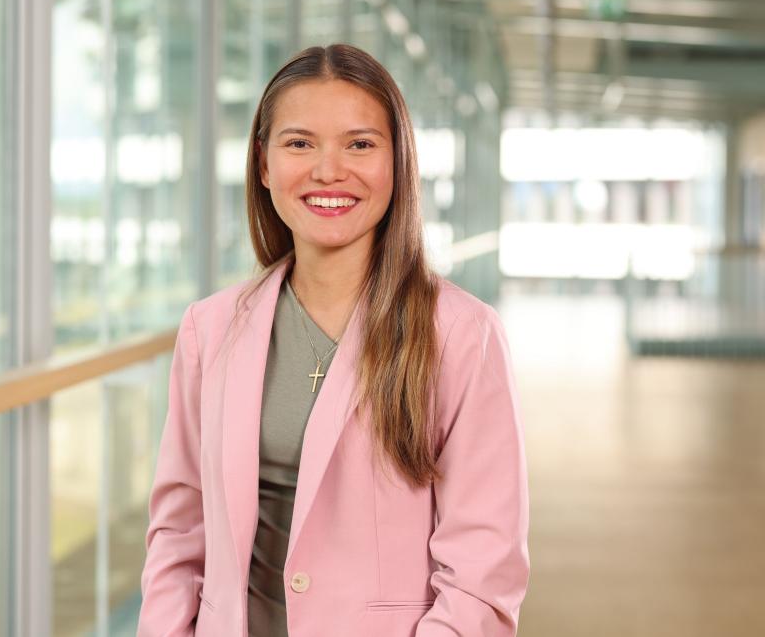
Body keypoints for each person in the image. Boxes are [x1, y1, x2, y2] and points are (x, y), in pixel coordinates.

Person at [138, 44, 529, 637]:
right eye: (299, 143)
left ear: (398, 163)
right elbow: (179, 533)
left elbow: (483, 570)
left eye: (360, 144)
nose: (328, 171)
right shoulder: (210, 329)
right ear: (263, 165)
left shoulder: (460, 335)